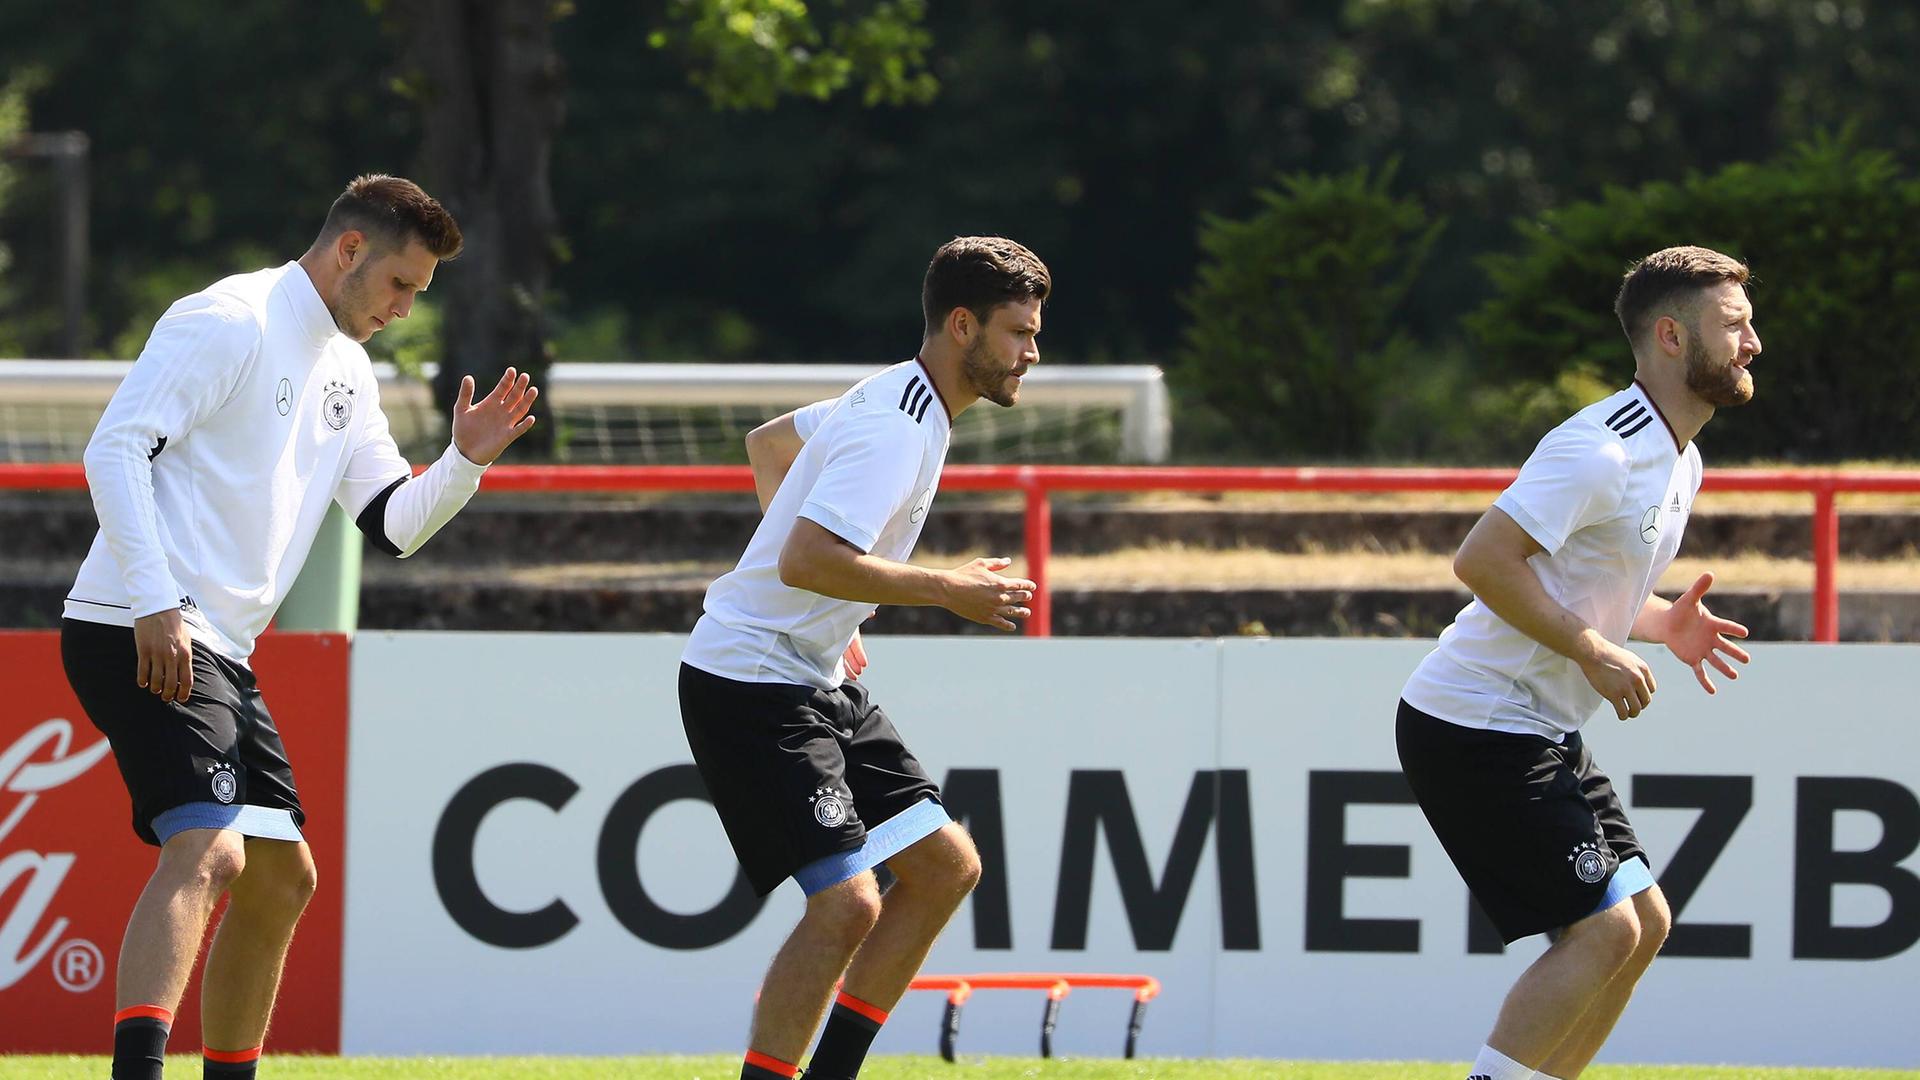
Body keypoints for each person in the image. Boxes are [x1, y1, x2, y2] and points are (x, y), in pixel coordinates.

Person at [61, 174, 537, 1080]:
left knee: (284, 878)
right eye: (401, 283)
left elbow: (393, 523)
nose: (405, 309)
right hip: (139, 620)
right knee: (210, 848)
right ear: (350, 248)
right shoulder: (229, 318)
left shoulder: (347, 368)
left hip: (217, 647)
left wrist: (464, 462)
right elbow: (114, 447)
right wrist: (156, 600)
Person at [679, 236, 1050, 1080]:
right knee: (848, 904)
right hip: (750, 681)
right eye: (1019, 332)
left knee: (945, 868)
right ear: (963, 326)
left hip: (810, 672)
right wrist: (944, 589)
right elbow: (806, 557)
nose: (1032, 352)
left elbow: (769, 446)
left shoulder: (902, 395)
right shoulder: (894, 425)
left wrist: (833, 606)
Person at [1396, 246, 1760, 1080]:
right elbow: (1483, 560)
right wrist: (1594, 648)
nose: (1753, 343)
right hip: (1473, 722)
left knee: (1645, 924)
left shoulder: (1681, 456)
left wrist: (1660, 621)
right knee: (1605, 930)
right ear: (1671, 336)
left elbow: (1579, 578)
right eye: (1733, 325)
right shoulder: (1600, 449)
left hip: (1537, 725)